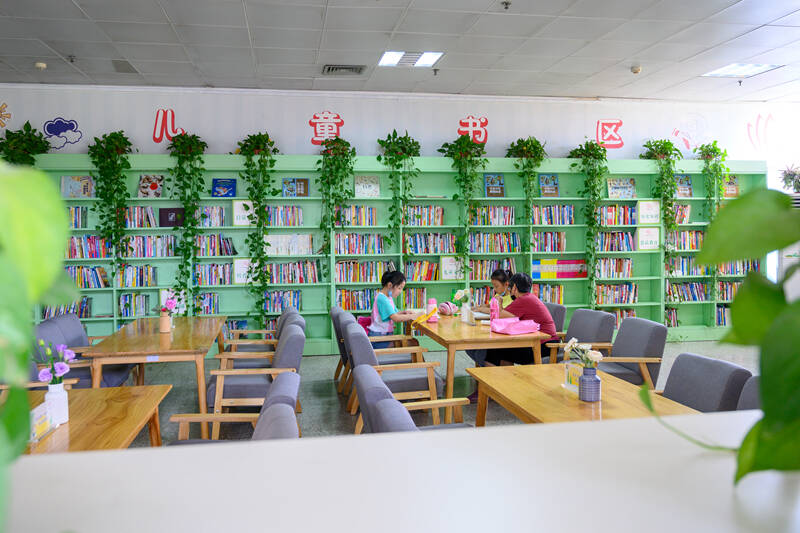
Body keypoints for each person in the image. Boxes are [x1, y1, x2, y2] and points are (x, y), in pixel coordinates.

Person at [483, 272, 558, 366]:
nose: (509, 290)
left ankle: (497, 375)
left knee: (495, 351)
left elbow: (500, 315)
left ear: (514, 287)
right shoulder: (528, 297)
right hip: (542, 343)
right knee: (500, 350)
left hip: (544, 346)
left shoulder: (523, 300)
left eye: (510, 287)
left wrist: (499, 302)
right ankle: (506, 374)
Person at [466, 268, 513, 367]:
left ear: (506, 284)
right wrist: (480, 307)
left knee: (480, 353)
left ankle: (491, 370)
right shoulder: (498, 295)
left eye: (496, 286)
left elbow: (497, 311)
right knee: (469, 347)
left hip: (501, 334)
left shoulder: (511, 299)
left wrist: (481, 309)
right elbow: (490, 305)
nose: (494, 289)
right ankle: (488, 369)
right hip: (490, 328)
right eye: (493, 286)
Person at [368, 270, 418, 349]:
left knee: (413, 342)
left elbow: (395, 313)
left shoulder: (388, 297)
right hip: (378, 339)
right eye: (399, 288)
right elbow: (396, 318)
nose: (400, 292)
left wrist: (405, 312)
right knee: (413, 343)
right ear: (390, 285)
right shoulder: (382, 298)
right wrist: (415, 316)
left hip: (385, 336)